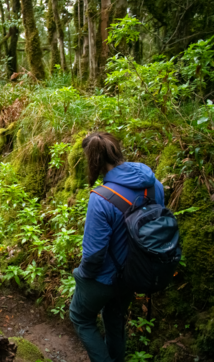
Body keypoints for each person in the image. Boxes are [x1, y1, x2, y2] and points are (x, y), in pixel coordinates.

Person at [70, 132, 165, 362]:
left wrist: (82, 276)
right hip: (137, 274)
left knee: (80, 317)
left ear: (93, 160)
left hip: (105, 279)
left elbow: (93, 256)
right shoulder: (153, 186)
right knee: (114, 317)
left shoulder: (101, 198)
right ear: (117, 150)